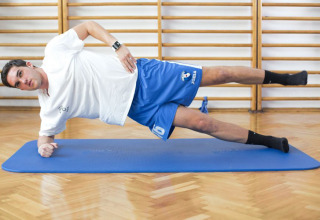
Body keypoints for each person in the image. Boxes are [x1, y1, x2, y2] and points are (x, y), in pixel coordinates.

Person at [1, 21, 308, 157]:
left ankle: (284, 78)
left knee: (219, 74)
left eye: (19, 74)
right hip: (138, 109)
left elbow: (89, 26)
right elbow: (46, 133)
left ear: (27, 64)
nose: (23, 82)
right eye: (17, 85)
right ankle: (268, 142)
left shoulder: (54, 50)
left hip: (144, 75)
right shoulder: (49, 106)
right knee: (202, 123)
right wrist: (43, 146)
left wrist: (117, 46)